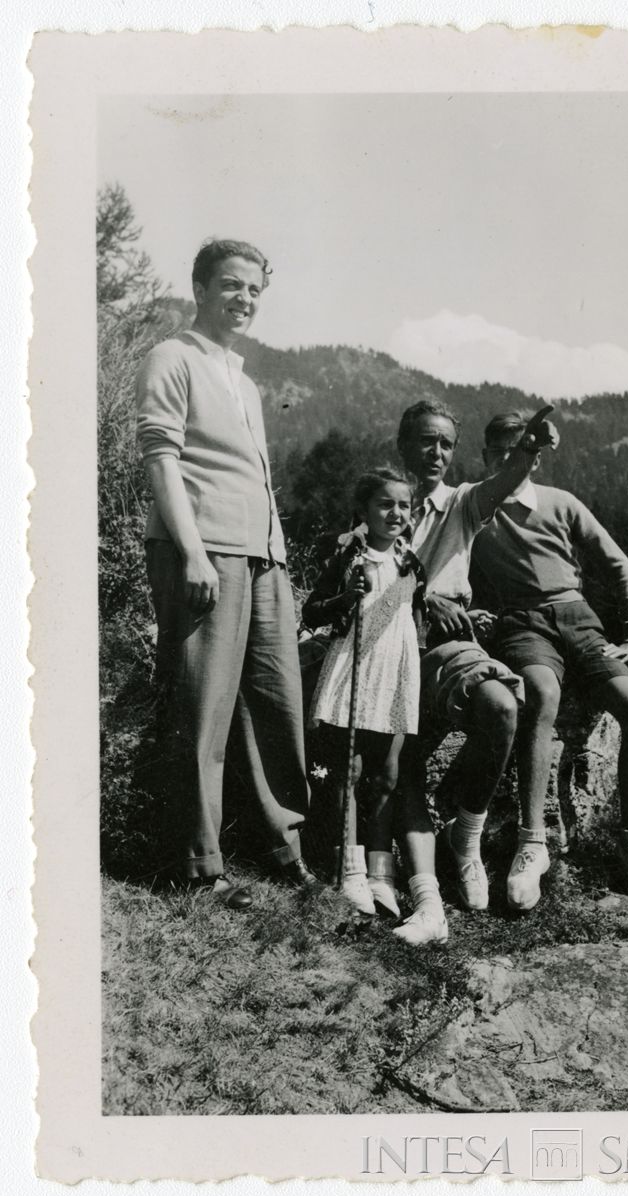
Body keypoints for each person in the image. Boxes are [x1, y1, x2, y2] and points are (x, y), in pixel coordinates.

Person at [136, 238, 314, 910]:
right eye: (231, 286)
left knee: (277, 705)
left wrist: (277, 556)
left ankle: (281, 848)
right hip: (203, 549)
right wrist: (193, 553)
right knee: (200, 709)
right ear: (201, 289)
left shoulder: (245, 382)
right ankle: (197, 865)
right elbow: (161, 460)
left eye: (254, 291)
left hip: (262, 557)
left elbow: (255, 479)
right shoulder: (171, 357)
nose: (243, 300)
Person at [469, 411, 628, 910]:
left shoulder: (561, 504)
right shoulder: (476, 506)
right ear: (485, 456)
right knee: (541, 694)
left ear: (534, 458)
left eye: (520, 451)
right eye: (498, 452)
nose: (508, 461)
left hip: (578, 620)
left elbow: (616, 563)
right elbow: (446, 557)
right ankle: (532, 843)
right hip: (522, 623)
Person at [391, 400, 559, 945]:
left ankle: (466, 840)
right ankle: (422, 893)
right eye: (424, 441)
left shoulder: (462, 503)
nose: (435, 453)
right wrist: (421, 596)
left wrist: (527, 452)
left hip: (446, 647)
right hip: (389, 646)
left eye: (445, 443)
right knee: (401, 753)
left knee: (503, 707)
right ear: (403, 445)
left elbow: (503, 480)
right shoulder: (381, 503)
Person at [302, 467, 427, 919]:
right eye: (385, 504)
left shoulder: (411, 560)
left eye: (404, 505)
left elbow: (417, 613)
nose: (396, 513)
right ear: (364, 510)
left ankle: (381, 876)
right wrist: (344, 599)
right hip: (354, 666)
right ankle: (350, 872)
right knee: (348, 772)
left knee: (387, 776)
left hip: (394, 669)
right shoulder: (348, 559)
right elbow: (312, 611)